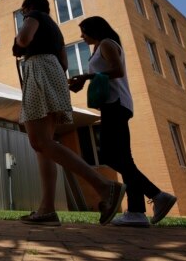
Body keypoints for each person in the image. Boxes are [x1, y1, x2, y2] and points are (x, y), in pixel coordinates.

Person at [14, 0, 126, 227]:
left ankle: (104, 187)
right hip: (54, 73)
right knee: (44, 146)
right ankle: (47, 209)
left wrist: (18, 43)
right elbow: (65, 64)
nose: (23, 14)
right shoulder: (56, 30)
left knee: (40, 142)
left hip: (38, 70)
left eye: (23, 11)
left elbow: (23, 39)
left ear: (28, 8)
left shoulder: (33, 16)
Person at [68, 16, 177, 227]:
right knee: (123, 158)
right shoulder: (100, 46)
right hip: (115, 105)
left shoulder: (107, 44)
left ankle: (157, 195)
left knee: (110, 155)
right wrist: (85, 80)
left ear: (94, 30)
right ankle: (136, 212)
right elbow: (106, 73)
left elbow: (117, 71)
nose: (81, 36)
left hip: (115, 104)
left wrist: (86, 77)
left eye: (84, 32)